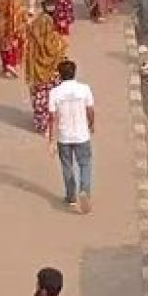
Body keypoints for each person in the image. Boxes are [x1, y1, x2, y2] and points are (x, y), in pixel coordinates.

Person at [47, 60, 95, 214]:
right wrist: (91, 124)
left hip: (64, 136)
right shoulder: (84, 89)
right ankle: (84, 191)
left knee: (67, 166)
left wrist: (51, 139)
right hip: (82, 134)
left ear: (59, 75)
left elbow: (52, 118)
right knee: (85, 164)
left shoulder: (54, 93)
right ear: (74, 72)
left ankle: (71, 196)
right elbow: (90, 110)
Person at [24, 2, 69, 134]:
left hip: (37, 73)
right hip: (52, 73)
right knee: (54, 97)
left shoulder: (33, 37)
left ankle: (42, 124)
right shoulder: (55, 39)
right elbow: (60, 51)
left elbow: (29, 54)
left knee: (40, 98)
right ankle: (52, 121)